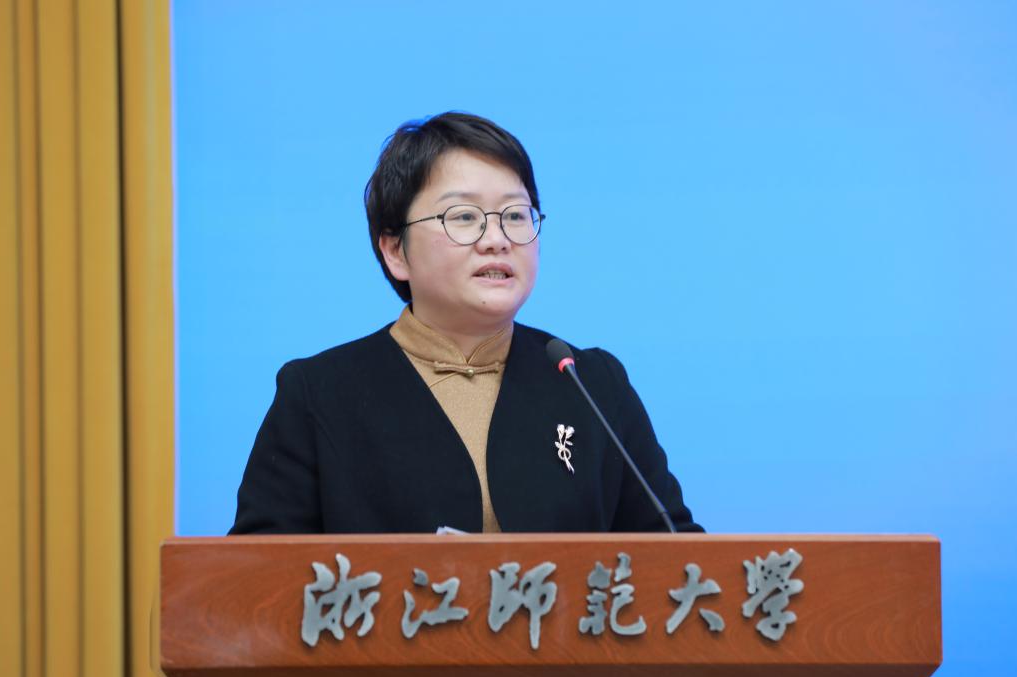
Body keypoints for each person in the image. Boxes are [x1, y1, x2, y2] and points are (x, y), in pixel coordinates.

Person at [230, 112, 703, 534]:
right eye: (464, 216)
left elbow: (679, 561)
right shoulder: (319, 394)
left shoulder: (590, 383)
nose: (497, 239)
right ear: (395, 250)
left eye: (515, 215)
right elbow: (258, 579)